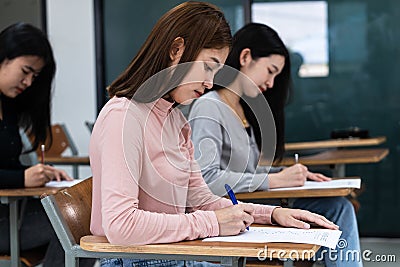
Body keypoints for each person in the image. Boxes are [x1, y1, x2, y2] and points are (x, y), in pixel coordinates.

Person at [89, 3, 338, 267]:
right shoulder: (123, 116)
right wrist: (213, 223)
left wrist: (272, 214)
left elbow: (201, 199)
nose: (210, 83)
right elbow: (121, 226)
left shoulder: (175, 121)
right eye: (208, 67)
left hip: (170, 254)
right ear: (176, 50)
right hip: (136, 260)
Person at [189, 23, 362, 267]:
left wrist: (286, 175)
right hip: (233, 210)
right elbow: (205, 179)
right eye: (270, 71)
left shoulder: (243, 109)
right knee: (337, 208)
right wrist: (274, 181)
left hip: (254, 202)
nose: (271, 83)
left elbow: (247, 172)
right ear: (246, 57)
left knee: (338, 206)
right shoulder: (208, 107)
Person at [0, 22, 94, 267]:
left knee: (86, 222)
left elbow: (7, 165)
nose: (29, 82)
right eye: (26, 71)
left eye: (35, 76)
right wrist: (21, 179)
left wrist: (40, 174)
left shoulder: (9, 106)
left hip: (13, 212)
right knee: (74, 225)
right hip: (6, 218)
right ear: (3, 58)